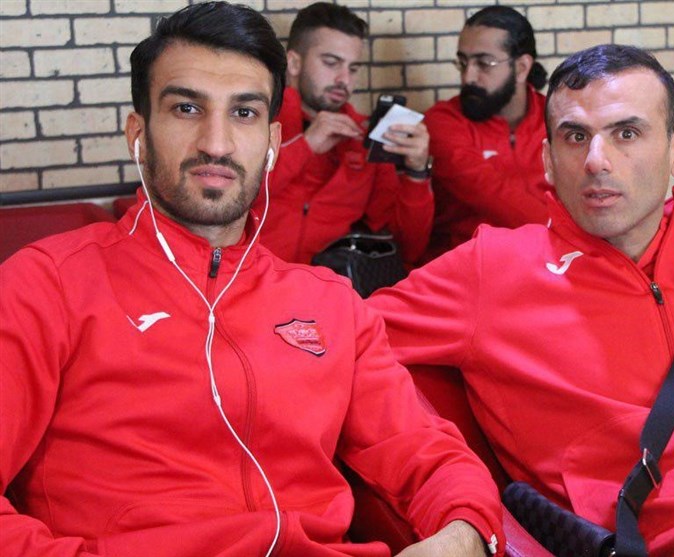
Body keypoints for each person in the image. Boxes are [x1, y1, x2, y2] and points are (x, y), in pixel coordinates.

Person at [0, 3, 506, 556]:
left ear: (270, 141)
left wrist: (465, 533)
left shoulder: (331, 305)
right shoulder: (47, 284)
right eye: (187, 108)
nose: (216, 143)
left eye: (243, 113)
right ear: (138, 134)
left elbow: (429, 455)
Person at [369, 44, 674, 556]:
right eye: (575, 137)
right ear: (548, 161)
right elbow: (332, 338)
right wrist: (458, 503)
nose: (597, 161)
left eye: (627, 133)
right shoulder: (494, 270)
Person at [257, 2, 433, 266]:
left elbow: (407, 247)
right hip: (249, 278)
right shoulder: (256, 118)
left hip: (331, 284)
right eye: (331, 63)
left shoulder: (363, 137)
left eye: (352, 68)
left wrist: (417, 173)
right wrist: (306, 146)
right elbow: (232, 199)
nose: (344, 79)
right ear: (294, 63)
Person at [423, 5, 550, 260]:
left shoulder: (558, 119)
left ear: (522, 67)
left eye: (484, 63)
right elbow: (490, 193)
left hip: (549, 263)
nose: (468, 77)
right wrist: (575, 238)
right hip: (465, 267)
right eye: (463, 62)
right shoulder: (443, 121)